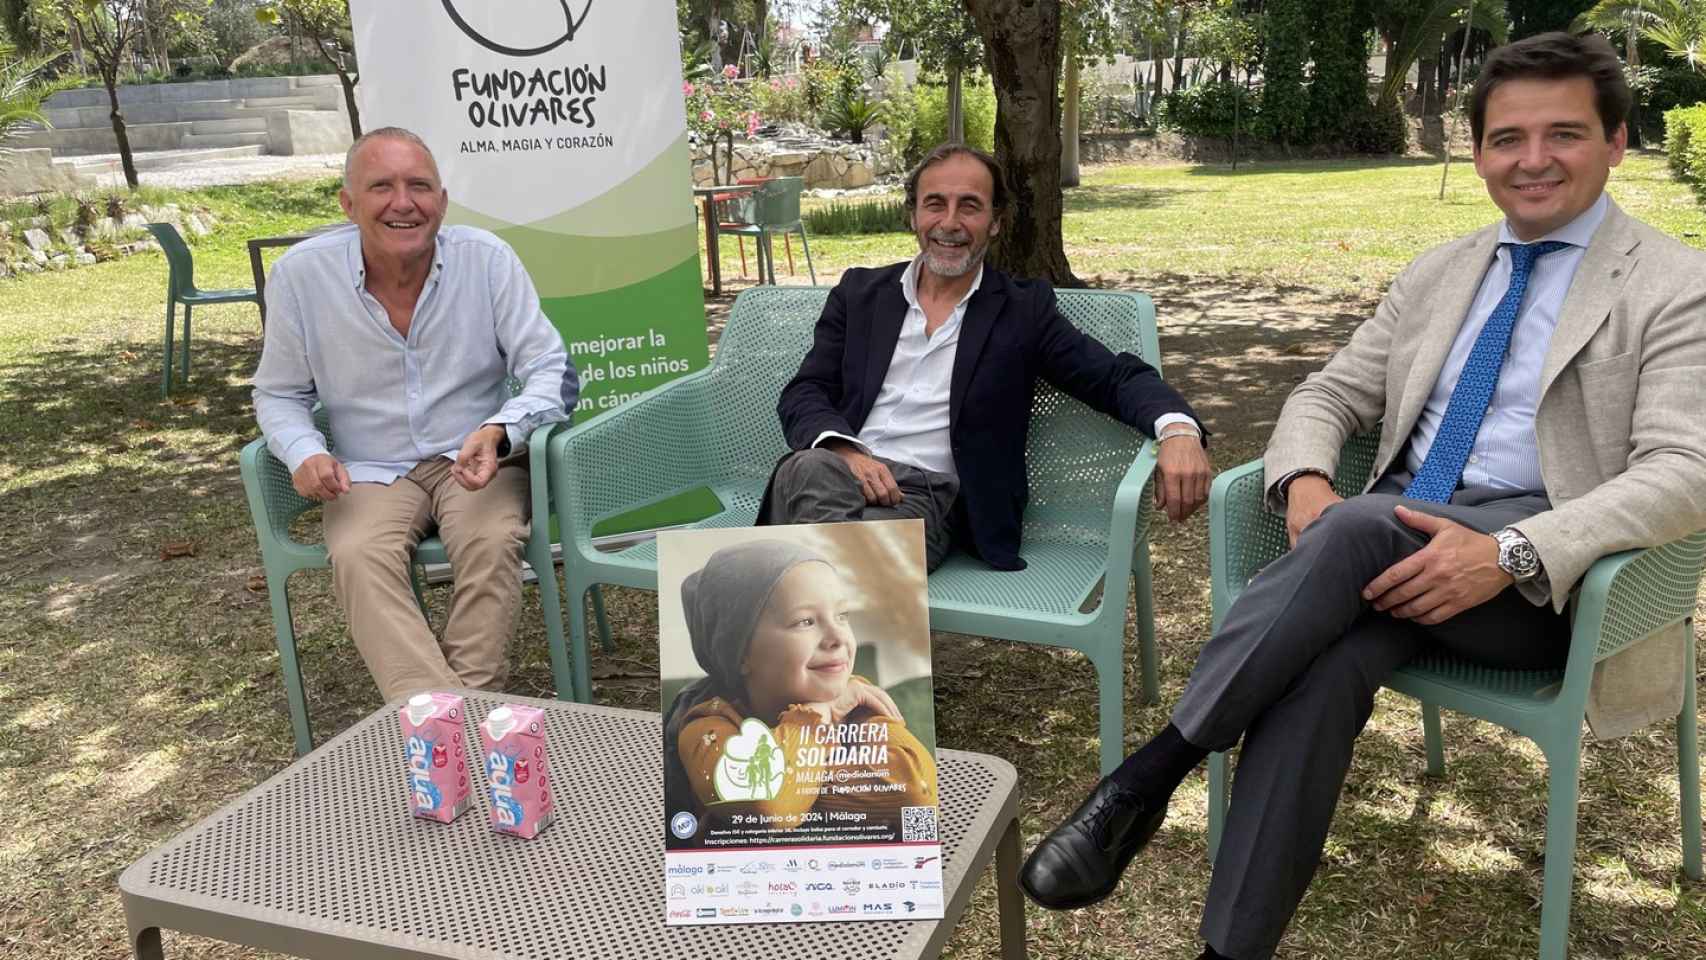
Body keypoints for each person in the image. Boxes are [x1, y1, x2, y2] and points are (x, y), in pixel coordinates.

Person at [1020, 32, 1706, 960]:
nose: (1532, 160)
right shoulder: (1439, 272)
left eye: (1565, 134)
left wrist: (1506, 553)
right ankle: (1229, 951)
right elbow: (1327, 394)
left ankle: (1149, 774)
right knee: (1327, 663)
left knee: (1363, 524)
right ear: (1477, 153)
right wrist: (1303, 477)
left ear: (1618, 141)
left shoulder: (1675, 284)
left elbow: (1684, 471)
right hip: (1381, 555)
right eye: (1507, 139)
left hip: (1544, 583)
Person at [760, 143, 1212, 571]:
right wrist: (844, 450)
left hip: (920, 499)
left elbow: (1113, 378)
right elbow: (806, 391)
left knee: (833, 553)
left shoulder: (1022, 311)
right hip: (833, 473)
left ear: (995, 221)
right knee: (813, 474)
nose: (950, 222)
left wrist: (1177, 431)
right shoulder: (860, 294)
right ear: (913, 215)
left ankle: (800, 613)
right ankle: (835, 613)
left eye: (970, 206)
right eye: (935, 203)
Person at [252, 127, 577, 702]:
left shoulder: (487, 260)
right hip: (369, 468)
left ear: (443, 202)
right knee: (357, 554)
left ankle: (449, 732)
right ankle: (448, 721)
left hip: (471, 459)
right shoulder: (302, 276)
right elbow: (278, 393)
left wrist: (502, 429)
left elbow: (551, 368)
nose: (403, 203)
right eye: (381, 186)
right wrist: (304, 451)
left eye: (419, 186)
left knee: (492, 538)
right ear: (347, 203)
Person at [663, 540, 937, 842]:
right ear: (740, 652)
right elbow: (772, 807)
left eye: (842, 615)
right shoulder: (705, 726)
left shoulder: (855, 702)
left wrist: (800, 787)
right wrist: (815, 717)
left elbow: (919, 794)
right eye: (805, 621)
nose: (836, 637)